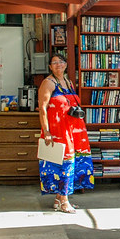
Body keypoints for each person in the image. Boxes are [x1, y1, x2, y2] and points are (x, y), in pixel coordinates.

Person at [39, 53, 93, 212]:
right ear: (50, 66)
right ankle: (64, 200)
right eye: (54, 63)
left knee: (73, 163)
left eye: (61, 62)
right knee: (63, 164)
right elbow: (42, 108)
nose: (58, 65)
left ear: (65, 64)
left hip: (73, 131)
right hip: (58, 131)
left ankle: (59, 198)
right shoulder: (48, 83)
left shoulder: (68, 82)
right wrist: (46, 130)